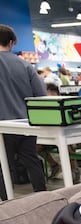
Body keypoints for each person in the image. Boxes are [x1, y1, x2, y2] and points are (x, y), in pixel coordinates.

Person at [0, 24, 46, 201]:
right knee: (32, 160)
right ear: (11, 43)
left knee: (4, 166)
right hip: (27, 124)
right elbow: (41, 95)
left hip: (2, 126)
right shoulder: (26, 65)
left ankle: (6, 204)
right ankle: (43, 197)